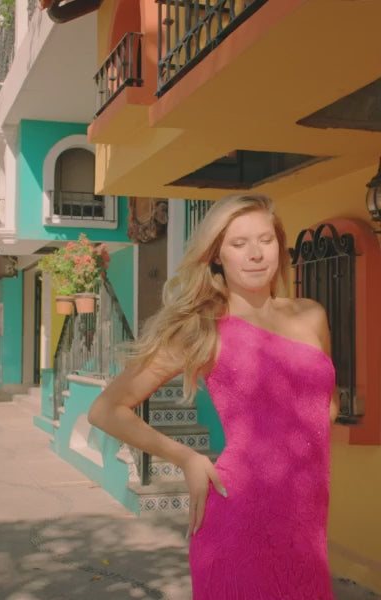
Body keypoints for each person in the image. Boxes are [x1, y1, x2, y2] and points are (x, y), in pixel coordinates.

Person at [88, 194, 340, 600]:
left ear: (279, 245)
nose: (256, 254)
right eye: (239, 244)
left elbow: (326, 404)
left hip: (306, 527)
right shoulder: (202, 329)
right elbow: (106, 410)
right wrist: (187, 458)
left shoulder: (311, 314)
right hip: (238, 520)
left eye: (266, 240)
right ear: (217, 256)